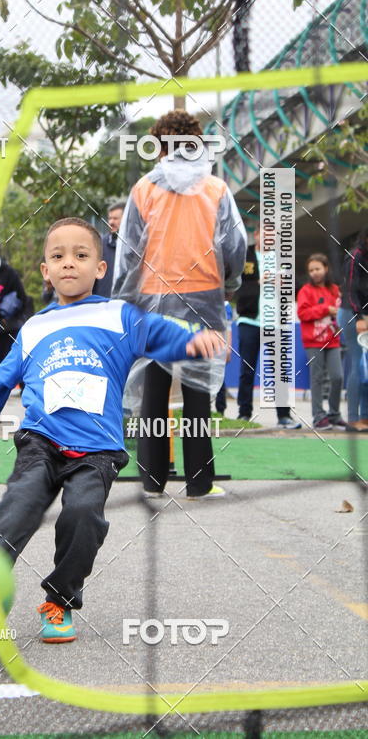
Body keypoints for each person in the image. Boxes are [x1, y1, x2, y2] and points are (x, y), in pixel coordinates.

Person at [0, 217, 223, 642]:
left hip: (97, 450)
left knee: (82, 519)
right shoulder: (34, 327)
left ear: (100, 267)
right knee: (13, 512)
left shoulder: (119, 316)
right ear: (45, 270)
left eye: (81, 255)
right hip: (40, 442)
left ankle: (59, 601)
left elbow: (160, 334)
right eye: (57, 257)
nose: (68, 264)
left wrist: (193, 339)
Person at [113, 109, 247, 499]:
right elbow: (235, 245)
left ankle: (152, 481)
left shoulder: (144, 189)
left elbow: (128, 251)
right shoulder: (215, 189)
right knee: (197, 393)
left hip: (153, 297)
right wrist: (231, 283)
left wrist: (124, 300)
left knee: (154, 389)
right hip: (204, 296)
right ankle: (200, 482)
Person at [235, 226, 301, 429]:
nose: (270, 238)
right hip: (250, 321)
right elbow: (234, 285)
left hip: (276, 322)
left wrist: (285, 284)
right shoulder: (244, 256)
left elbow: (297, 287)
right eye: (266, 233)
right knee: (247, 368)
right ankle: (244, 413)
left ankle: (284, 415)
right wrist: (258, 282)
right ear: (256, 235)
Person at [297, 253, 347, 431]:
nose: (314, 273)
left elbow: (342, 312)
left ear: (326, 269)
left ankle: (334, 414)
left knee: (337, 377)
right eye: (311, 270)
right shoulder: (305, 291)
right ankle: (318, 417)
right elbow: (302, 314)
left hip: (333, 340)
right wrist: (326, 309)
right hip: (313, 341)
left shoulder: (335, 289)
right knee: (316, 378)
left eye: (317, 269)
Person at [339, 227, 368, 430]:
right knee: (358, 366)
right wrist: (359, 316)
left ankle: (365, 416)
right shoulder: (355, 256)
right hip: (352, 314)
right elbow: (350, 289)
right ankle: (352, 417)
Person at [0, 240, 29, 368]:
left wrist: (5, 316)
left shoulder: (8, 273)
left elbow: (21, 297)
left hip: (4, 332)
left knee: (1, 367)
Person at [93, 202, 125, 297]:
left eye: (115, 218)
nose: (111, 222)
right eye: (110, 218)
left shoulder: (135, 245)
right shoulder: (100, 244)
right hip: (103, 303)